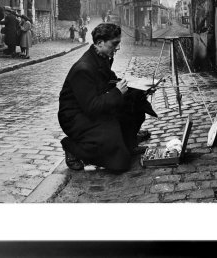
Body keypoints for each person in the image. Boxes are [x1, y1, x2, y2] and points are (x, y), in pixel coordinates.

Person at [58, 23, 156, 172]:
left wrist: (140, 90)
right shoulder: (83, 69)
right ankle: (72, 146)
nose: (118, 48)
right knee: (120, 164)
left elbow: (110, 82)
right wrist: (117, 92)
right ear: (99, 43)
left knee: (135, 102)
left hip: (93, 110)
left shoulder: (102, 56)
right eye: (114, 44)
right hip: (76, 118)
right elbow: (92, 107)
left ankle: (128, 145)